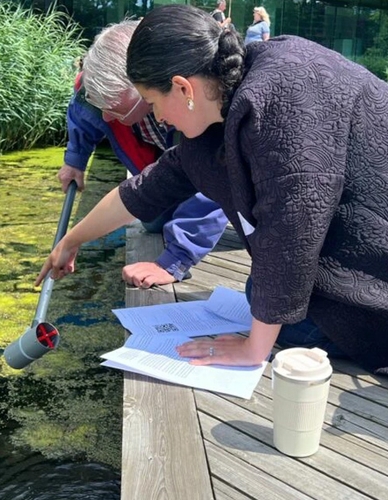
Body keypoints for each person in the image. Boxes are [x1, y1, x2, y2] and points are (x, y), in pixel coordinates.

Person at [36, 5, 388, 375]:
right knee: (264, 297)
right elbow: (145, 189)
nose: (157, 119)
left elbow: (291, 232)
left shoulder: (284, 95)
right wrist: (72, 240)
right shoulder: (219, 107)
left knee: (288, 316)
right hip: (343, 247)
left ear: (183, 87)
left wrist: (253, 348)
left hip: (373, 264)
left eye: (154, 104)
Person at [58, 20, 228, 287]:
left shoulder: (196, 105)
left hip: (243, 191)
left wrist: (176, 258)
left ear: (142, 86)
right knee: (154, 222)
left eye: (114, 110)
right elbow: (85, 116)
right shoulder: (95, 87)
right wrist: (74, 161)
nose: (105, 117)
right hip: (163, 162)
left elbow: (216, 177)